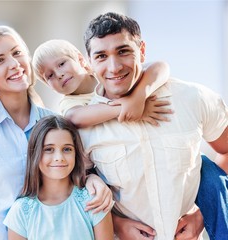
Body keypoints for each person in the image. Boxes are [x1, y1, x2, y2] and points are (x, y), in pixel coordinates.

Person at [0, 25, 111, 240]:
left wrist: (94, 180)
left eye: (17, 53)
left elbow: (75, 177)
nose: (14, 64)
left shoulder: (53, 124)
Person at [81, 12, 228, 240]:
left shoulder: (192, 98)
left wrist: (201, 214)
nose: (114, 66)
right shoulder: (82, 128)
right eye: (101, 56)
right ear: (89, 62)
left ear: (141, 51)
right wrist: (115, 224)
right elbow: (73, 190)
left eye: (123, 51)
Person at [3, 115, 115, 240]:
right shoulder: (21, 211)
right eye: (49, 149)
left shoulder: (94, 201)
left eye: (67, 149)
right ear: (35, 154)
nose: (59, 157)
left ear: (75, 154)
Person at [32, 39, 173, 128]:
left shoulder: (105, 73)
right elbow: (74, 117)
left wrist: (138, 98)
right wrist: (127, 108)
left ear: (81, 60)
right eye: (50, 76)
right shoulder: (69, 102)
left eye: (62, 64)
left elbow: (160, 66)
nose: (59, 74)